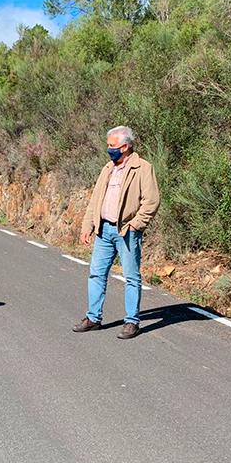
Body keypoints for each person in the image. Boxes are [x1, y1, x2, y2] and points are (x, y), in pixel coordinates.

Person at [73, 126, 161, 339]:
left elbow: (152, 200)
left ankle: (132, 322)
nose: (108, 149)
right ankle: (93, 318)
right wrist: (88, 227)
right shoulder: (107, 168)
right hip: (104, 230)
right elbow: (96, 200)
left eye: (112, 146)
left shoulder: (142, 168)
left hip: (127, 232)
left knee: (131, 277)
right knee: (96, 274)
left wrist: (136, 224)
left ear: (125, 147)